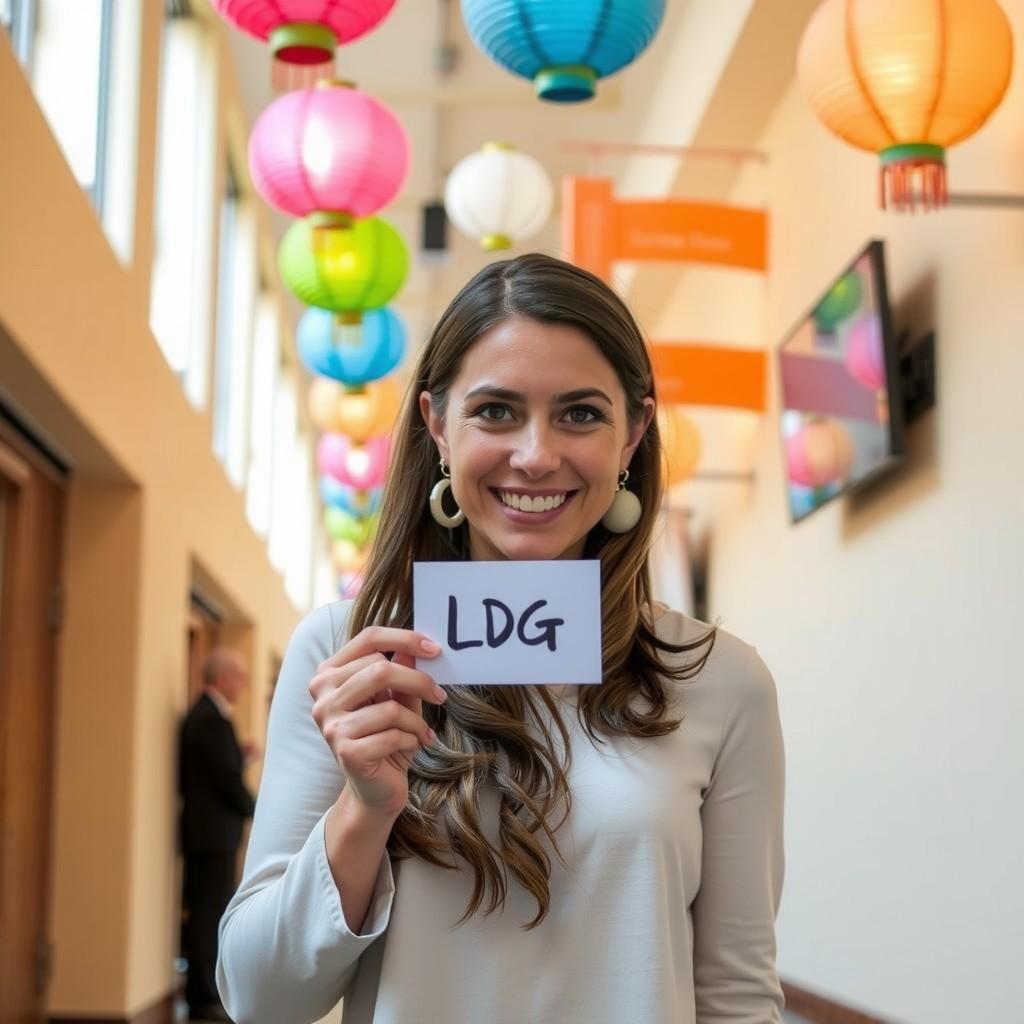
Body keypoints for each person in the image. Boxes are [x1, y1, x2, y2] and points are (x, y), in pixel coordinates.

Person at [217, 254, 786, 1023]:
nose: (536, 454)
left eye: (581, 413)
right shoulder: (345, 657)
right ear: (437, 427)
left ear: (634, 434)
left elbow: (737, 991)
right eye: (495, 411)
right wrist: (364, 809)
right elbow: (259, 1000)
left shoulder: (721, 680)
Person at [179, 648, 258, 1021]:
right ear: (223, 678)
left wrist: (238, 759)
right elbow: (223, 780)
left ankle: (206, 991)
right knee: (208, 915)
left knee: (210, 912)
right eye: (239, 678)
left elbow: (220, 769)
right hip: (210, 836)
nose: (242, 685)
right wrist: (258, 809)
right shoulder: (209, 719)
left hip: (211, 835)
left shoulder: (208, 716)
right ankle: (203, 996)